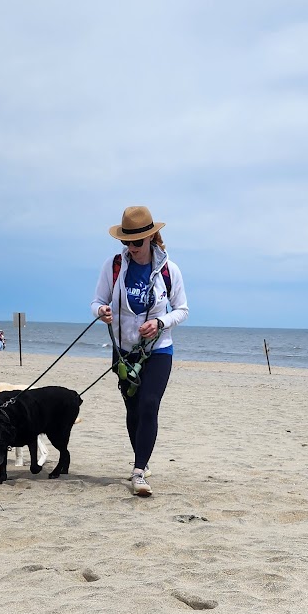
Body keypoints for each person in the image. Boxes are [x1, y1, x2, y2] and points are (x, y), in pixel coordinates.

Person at [93, 205, 189, 497]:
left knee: (149, 404)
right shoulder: (114, 266)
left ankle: (138, 470)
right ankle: (142, 461)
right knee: (133, 410)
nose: (131, 247)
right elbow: (96, 301)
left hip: (159, 350)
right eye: (126, 241)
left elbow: (182, 310)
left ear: (150, 238)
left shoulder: (169, 270)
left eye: (137, 241)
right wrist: (103, 311)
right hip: (124, 352)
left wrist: (160, 322)